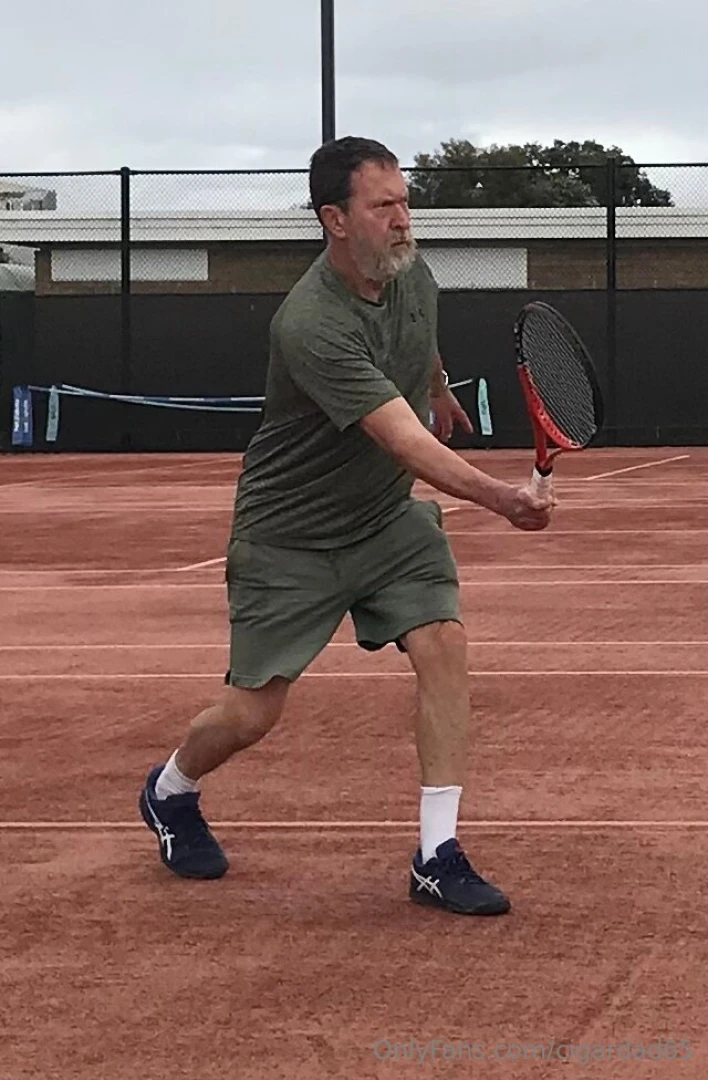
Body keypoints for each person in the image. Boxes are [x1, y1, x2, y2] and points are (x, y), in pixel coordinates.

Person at [139, 136, 554, 916]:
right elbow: (401, 443)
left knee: (444, 644)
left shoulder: (412, 271)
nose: (403, 219)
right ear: (334, 219)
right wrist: (503, 500)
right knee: (252, 712)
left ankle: (438, 852)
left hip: (386, 520)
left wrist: (436, 386)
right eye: (383, 206)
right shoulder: (309, 324)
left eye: (405, 201)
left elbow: (419, 330)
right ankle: (171, 790)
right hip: (288, 534)